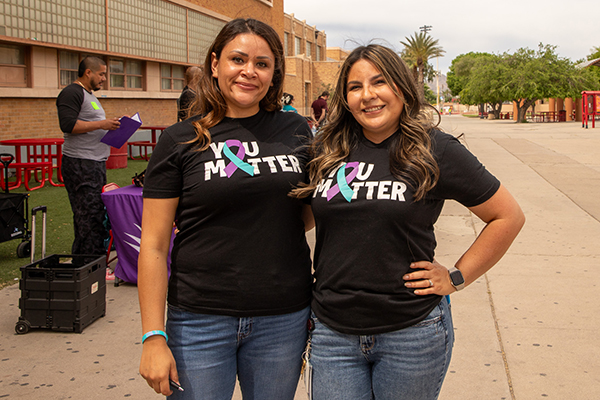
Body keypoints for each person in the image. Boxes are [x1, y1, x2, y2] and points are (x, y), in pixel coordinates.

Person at [293, 44, 525, 400]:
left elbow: (507, 216)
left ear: (400, 87)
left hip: (411, 333)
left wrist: (456, 277)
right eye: (355, 87)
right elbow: (306, 217)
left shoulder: (435, 149)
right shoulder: (327, 149)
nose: (367, 95)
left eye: (379, 82)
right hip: (332, 332)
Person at [137, 18, 314, 399]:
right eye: (238, 59)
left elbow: (307, 215)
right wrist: (153, 336)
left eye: (262, 63)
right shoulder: (179, 139)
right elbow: (152, 244)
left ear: (273, 74)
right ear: (215, 64)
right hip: (199, 320)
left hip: (282, 318)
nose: (249, 71)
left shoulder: (297, 130)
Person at [56, 56, 122, 256]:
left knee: (96, 213)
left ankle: (88, 261)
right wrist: (102, 124)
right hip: (80, 164)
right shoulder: (71, 93)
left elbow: (91, 125)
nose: (104, 78)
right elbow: (67, 125)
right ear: (88, 72)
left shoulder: (90, 96)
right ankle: (89, 263)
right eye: (101, 74)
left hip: (94, 163)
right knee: (88, 215)